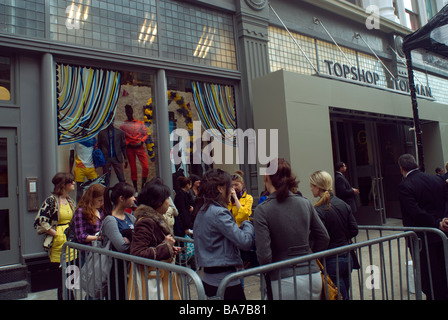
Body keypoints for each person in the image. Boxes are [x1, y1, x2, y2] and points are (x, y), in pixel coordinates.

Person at [253, 158, 329, 300]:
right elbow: (324, 237)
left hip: (284, 280)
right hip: (312, 275)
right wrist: (309, 255)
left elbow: (264, 256)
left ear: (266, 177)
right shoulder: (305, 202)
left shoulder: (262, 210)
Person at [193, 169, 255, 300]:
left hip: (210, 278)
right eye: (230, 186)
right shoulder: (219, 212)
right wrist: (246, 223)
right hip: (226, 281)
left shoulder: (203, 210)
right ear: (220, 188)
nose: (232, 189)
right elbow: (244, 241)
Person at [397, 153, 448, 300]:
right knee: (442, 271)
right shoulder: (436, 179)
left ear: (402, 169)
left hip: (421, 238)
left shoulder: (405, 185)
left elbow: (414, 211)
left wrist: (437, 223)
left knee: (427, 275)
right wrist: (443, 220)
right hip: (440, 234)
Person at [127, 180, 182, 300]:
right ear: (158, 202)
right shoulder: (146, 221)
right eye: (167, 198)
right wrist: (166, 246)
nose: (169, 202)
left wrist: (169, 249)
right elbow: (137, 252)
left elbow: (154, 244)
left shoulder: (154, 219)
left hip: (158, 278)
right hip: (152, 283)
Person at [309, 170, 358, 300]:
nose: (311, 188)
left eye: (312, 185)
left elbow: (320, 237)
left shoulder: (318, 210)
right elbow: (354, 230)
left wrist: (316, 253)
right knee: (344, 293)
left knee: (338, 296)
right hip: (347, 255)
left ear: (318, 187)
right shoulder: (343, 204)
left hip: (331, 258)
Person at [34, 172, 76, 300]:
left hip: (71, 243)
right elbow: (40, 221)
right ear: (63, 185)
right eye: (70, 182)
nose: (73, 183)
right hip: (58, 244)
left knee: (72, 278)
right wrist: (56, 233)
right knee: (61, 279)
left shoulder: (70, 200)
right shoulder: (51, 200)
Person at [102, 182, 136, 300]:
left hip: (130, 268)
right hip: (115, 271)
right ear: (122, 198)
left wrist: (129, 240)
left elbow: (142, 238)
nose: (134, 198)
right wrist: (133, 242)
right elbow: (122, 247)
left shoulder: (130, 217)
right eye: (131, 196)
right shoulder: (110, 220)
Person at [119, 104, 149, 192]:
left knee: (145, 166)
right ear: (125, 113)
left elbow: (146, 134)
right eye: (127, 111)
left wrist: (142, 141)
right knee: (133, 168)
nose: (129, 113)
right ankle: (135, 188)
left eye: (130, 111)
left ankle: (143, 185)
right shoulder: (123, 125)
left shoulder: (140, 123)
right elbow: (122, 137)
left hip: (140, 147)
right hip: (130, 148)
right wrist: (128, 143)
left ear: (132, 112)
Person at [97, 122, 128, 187]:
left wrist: (125, 158)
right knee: (106, 179)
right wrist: (99, 159)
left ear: (113, 120)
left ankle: (123, 192)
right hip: (106, 158)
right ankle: (106, 195)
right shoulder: (101, 133)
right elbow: (99, 146)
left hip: (117, 157)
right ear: (106, 121)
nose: (110, 121)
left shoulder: (120, 132)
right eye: (109, 119)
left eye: (111, 118)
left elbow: (123, 146)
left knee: (121, 178)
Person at [70, 137, 98, 202]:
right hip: (80, 168)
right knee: (79, 190)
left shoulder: (93, 139)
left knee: (96, 189)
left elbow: (97, 152)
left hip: (91, 167)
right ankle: (78, 209)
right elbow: (71, 156)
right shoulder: (75, 139)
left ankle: (93, 208)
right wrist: (70, 170)